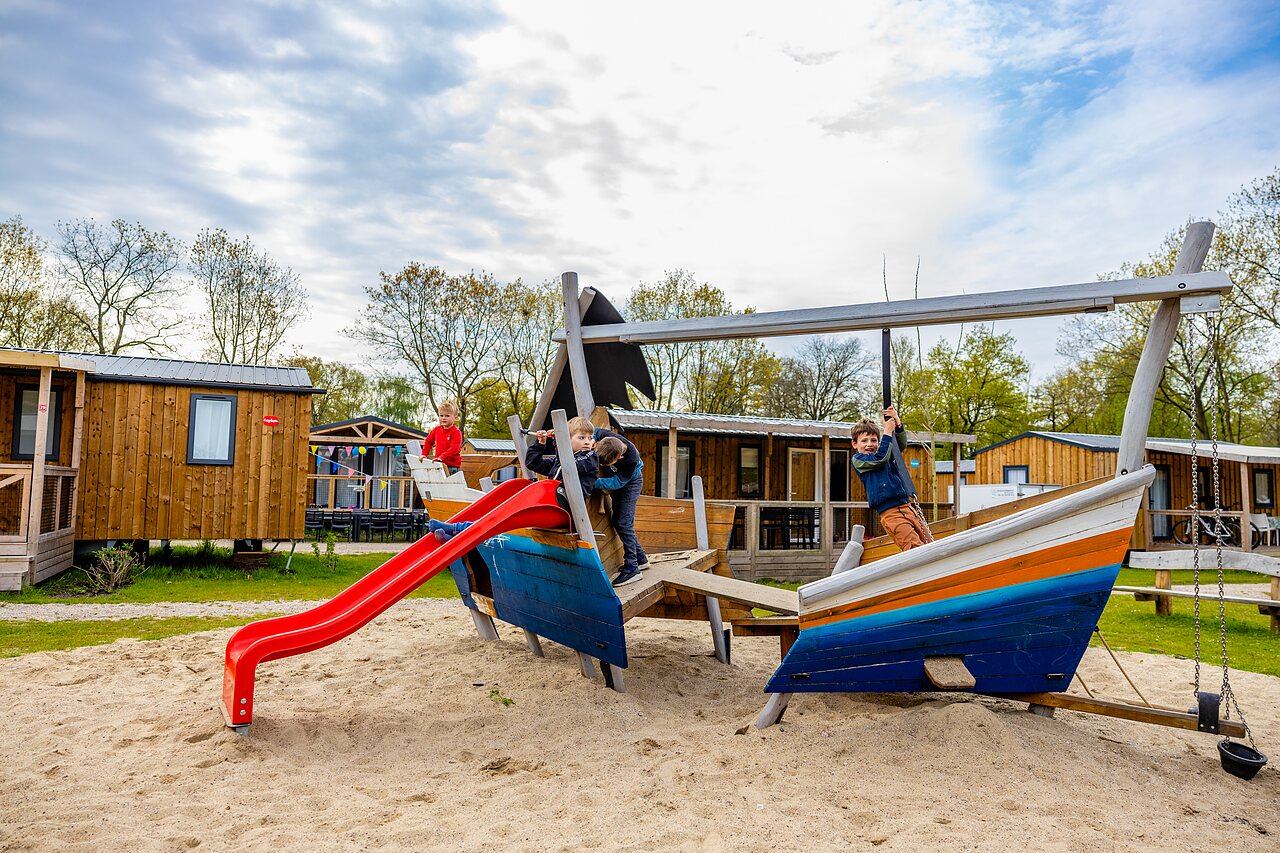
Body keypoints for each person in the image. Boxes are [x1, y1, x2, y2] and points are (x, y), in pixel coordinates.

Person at [430, 417, 599, 543]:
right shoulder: (560, 459)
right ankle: (457, 534)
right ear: (567, 440)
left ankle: (457, 530)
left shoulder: (590, 457)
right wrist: (540, 444)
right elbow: (533, 463)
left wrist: (557, 444)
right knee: (500, 515)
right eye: (581, 437)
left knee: (502, 517)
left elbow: (569, 468)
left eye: (590, 438)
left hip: (564, 511)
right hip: (550, 506)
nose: (587, 442)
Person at [851, 405, 931, 551]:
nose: (869, 444)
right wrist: (887, 431)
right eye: (864, 441)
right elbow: (880, 458)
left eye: (874, 440)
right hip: (891, 514)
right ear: (855, 444)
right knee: (914, 548)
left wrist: (897, 423)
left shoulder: (885, 453)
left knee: (929, 544)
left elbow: (899, 445)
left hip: (907, 507)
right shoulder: (859, 460)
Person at [593, 428, 648, 588]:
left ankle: (633, 569)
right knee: (618, 522)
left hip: (630, 484)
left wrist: (592, 482)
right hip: (619, 480)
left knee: (624, 523)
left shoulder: (630, 459)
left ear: (620, 457)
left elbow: (616, 483)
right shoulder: (604, 436)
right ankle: (640, 558)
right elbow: (591, 430)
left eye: (608, 464)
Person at [422, 400, 463, 475]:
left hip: (451, 466)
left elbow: (454, 449)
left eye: (447, 416)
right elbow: (429, 441)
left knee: (449, 485)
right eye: (441, 415)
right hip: (439, 464)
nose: (443, 418)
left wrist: (442, 457)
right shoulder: (437, 430)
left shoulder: (456, 432)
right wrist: (424, 454)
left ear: (455, 417)